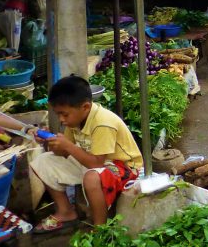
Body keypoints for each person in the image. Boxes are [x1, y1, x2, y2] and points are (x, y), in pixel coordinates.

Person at [30, 76, 143, 233]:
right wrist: (48, 141)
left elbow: (96, 163)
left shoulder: (103, 122)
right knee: (43, 160)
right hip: (94, 162)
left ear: (85, 107)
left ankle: (100, 229)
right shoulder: (75, 120)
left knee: (91, 177)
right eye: (58, 115)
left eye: (64, 114)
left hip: (123, 167)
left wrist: (68, 145)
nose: (61, 120)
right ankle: (65, 211)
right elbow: (63, 152)